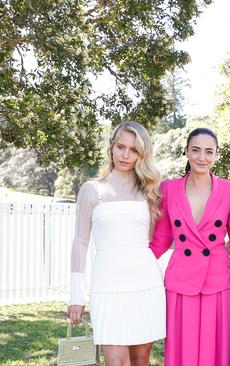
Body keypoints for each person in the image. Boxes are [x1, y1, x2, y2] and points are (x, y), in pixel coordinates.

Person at [67, 121, 165, 366]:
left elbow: (158, 238)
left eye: (133, 150)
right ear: (111, 147)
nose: (125, 155)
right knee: (116, 362)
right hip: (107, 286)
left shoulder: (150, 191)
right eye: (120, 147)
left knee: (141, 359)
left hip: (145, 284)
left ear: (142, 154)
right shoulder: (91, 190)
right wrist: (75, 296)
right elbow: (80, 242)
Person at [149, 128, 230, 366]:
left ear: (216, 155)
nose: (202, 157)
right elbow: (161, 239)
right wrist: (135, 265)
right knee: (181, 349)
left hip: (218, 280)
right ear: (186, 152)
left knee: (217, 349)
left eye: (208, 151)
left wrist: (216, 251)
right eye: (195, 150)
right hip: (180, 281)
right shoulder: (168, 188)